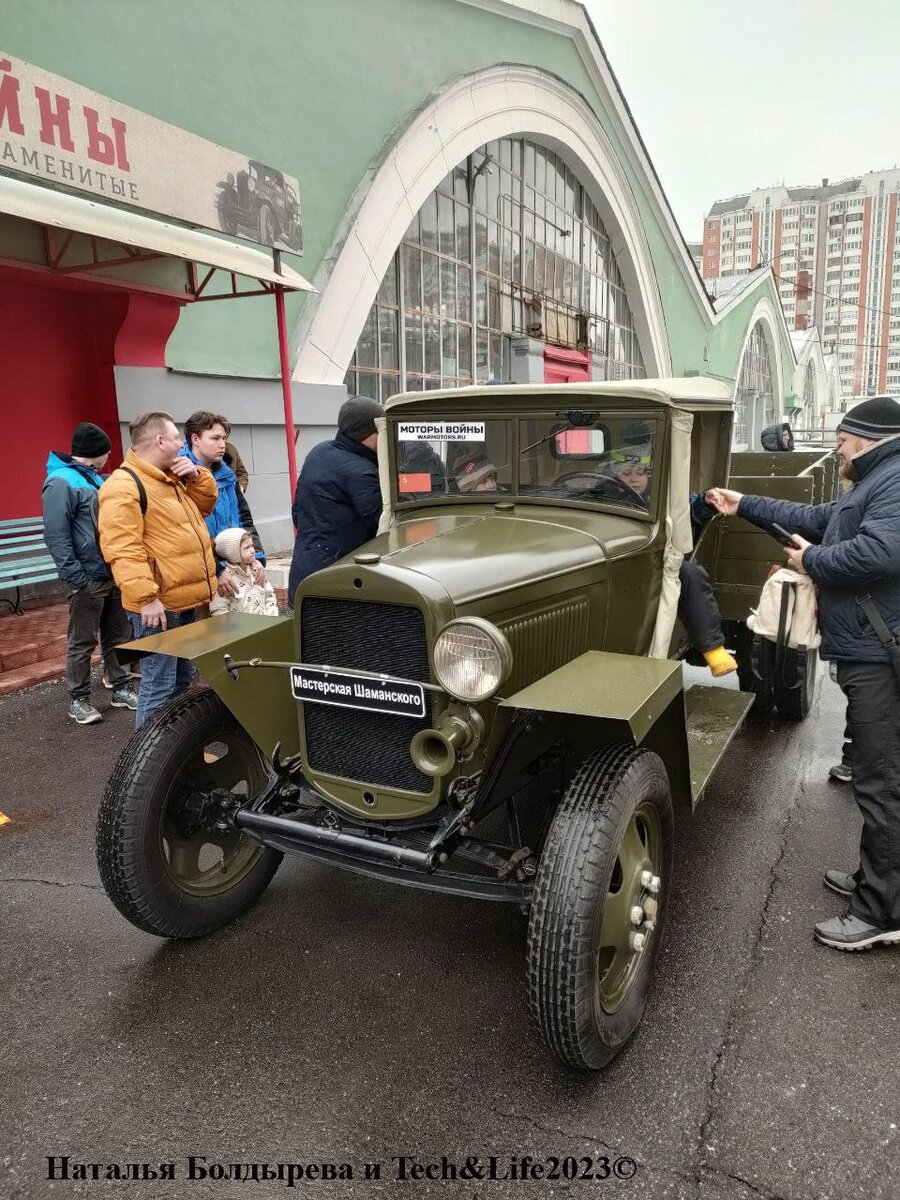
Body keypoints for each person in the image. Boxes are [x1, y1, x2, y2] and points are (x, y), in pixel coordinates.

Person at [707, 395, 900, 950]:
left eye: (843, 438)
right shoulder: (873, 481)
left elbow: (877, 554)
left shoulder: (892, 480)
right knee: (876, 774)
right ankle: (876, 881)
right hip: (869, 651)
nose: (836, 446)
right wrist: (742, 503)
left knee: (880, 780)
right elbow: (815, 519)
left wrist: (808, 561)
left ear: (869, 439)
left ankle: (882, 912)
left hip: (879, 658)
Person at [98, 411, 218, 728]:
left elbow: (205, 506)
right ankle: (146, 767)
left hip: (184, 600)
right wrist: (146, 596)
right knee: (158, 685)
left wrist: (196, 475)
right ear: (160, 440)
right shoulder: (123, 485)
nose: (183, 444)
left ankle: (174, 756)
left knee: (181, 682)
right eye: (178, 438)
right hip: (158, 606)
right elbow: (122, 547)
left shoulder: (172, 477)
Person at [606, 449, 737, 677]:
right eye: (626, 473)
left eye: (640, 473)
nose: (634, 478)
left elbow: (690, 508)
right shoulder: (602, 495)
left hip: (660, 557)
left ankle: (713, 648)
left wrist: (705, 500)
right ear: (616, 477)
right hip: (616, 558)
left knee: (690, 573)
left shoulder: (664, 496)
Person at [41, 423, 138, 724]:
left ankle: (120, 687)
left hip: (110, 573)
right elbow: (56, 534)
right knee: (82, 641)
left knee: (117, 635)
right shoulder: (60, 482)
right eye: (107, 451)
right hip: (88, 578)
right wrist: (76, 579)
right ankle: (78, 699)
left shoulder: (95, 479)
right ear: (98, 453)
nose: (110, 456)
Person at [288, 395, 384, 604]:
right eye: (380, 431)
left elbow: (297, 511)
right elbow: (380, 525)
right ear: (366, 433)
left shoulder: (319, 451)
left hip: (307, 560)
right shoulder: (362, 472)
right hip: (339, 570)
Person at [182, 411, 266, 603]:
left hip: (233, 566)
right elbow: (188, 534)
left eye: (224, 438)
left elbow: (244, 518)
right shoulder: (180, 476)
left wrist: (257, 557)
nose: (223, 444)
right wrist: (217, 570)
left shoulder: (227, 475)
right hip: (201, 574)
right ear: (195, 439)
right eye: (215, 438)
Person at [210, 528, 279, 616]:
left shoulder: (256, 570)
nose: (253, 550)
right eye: (247, 547)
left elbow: (269, 594)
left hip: (266, 625)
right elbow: (219, 610)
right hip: (243, 629)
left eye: (252, 546)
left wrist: (271, 616)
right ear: (232, 552)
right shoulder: (225, 581)